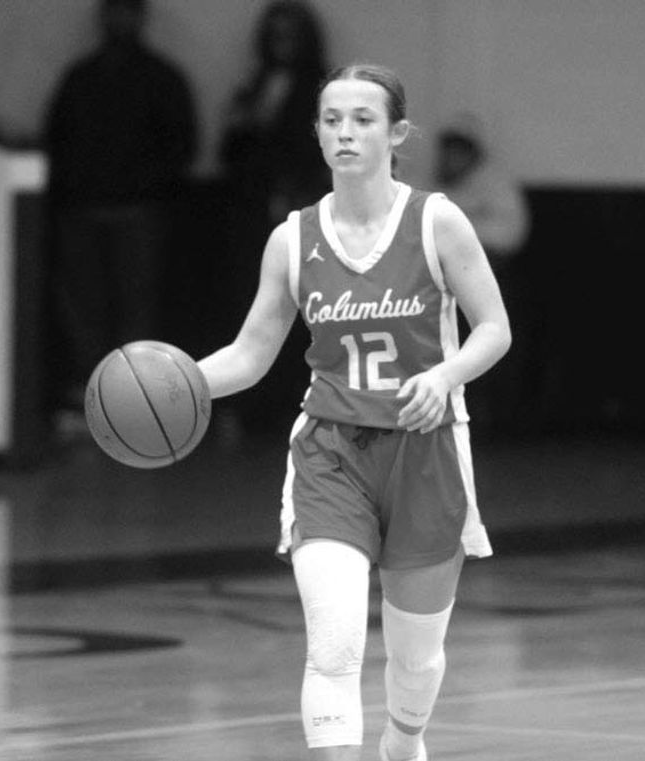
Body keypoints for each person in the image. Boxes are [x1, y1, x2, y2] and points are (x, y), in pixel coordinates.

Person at [198, 64, 511, 761]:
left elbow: (494, 327)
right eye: (332, 119)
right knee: (334, 647)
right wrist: (181, 382)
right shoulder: (292, 239)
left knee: (415, 659)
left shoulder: (437, 221)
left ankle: (405, 743)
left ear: (396, 132)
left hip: (426, 448)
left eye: (362, 119)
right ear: (316, 132)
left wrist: (446, 373)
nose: (345, 132)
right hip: (330, 451)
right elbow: (250, 354)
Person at [43, 0, 197, 413]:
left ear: (139, 18)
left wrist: (144, 185)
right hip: (90, 207)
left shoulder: (157, 77)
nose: (119, 20)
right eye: (114, 12)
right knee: (86, 308)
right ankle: (94, 391)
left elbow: (181, 145)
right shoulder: (83, 77)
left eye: (126, 12)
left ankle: (129, 395)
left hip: (136, 208)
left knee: (135, 307)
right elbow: (57, 138)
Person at [216, 0, 332, 434]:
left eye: (291, 34)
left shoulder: (323, 89)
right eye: (276, 34)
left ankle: (300, 404)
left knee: (308, 314)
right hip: (253, 220)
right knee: (255, 312)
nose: (282, 43)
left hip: (305, 215)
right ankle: (251, 409)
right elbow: (230, 151)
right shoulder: (254, 87)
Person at [434, 115, 535, 436]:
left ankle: (497, 425)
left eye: (461, 149)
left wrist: (460, 235)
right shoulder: (430, 185)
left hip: (491, 279)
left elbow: (512, 233)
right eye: (448, 149)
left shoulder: (496, 185)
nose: (453, 157)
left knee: (493, 347)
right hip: (438, 287)